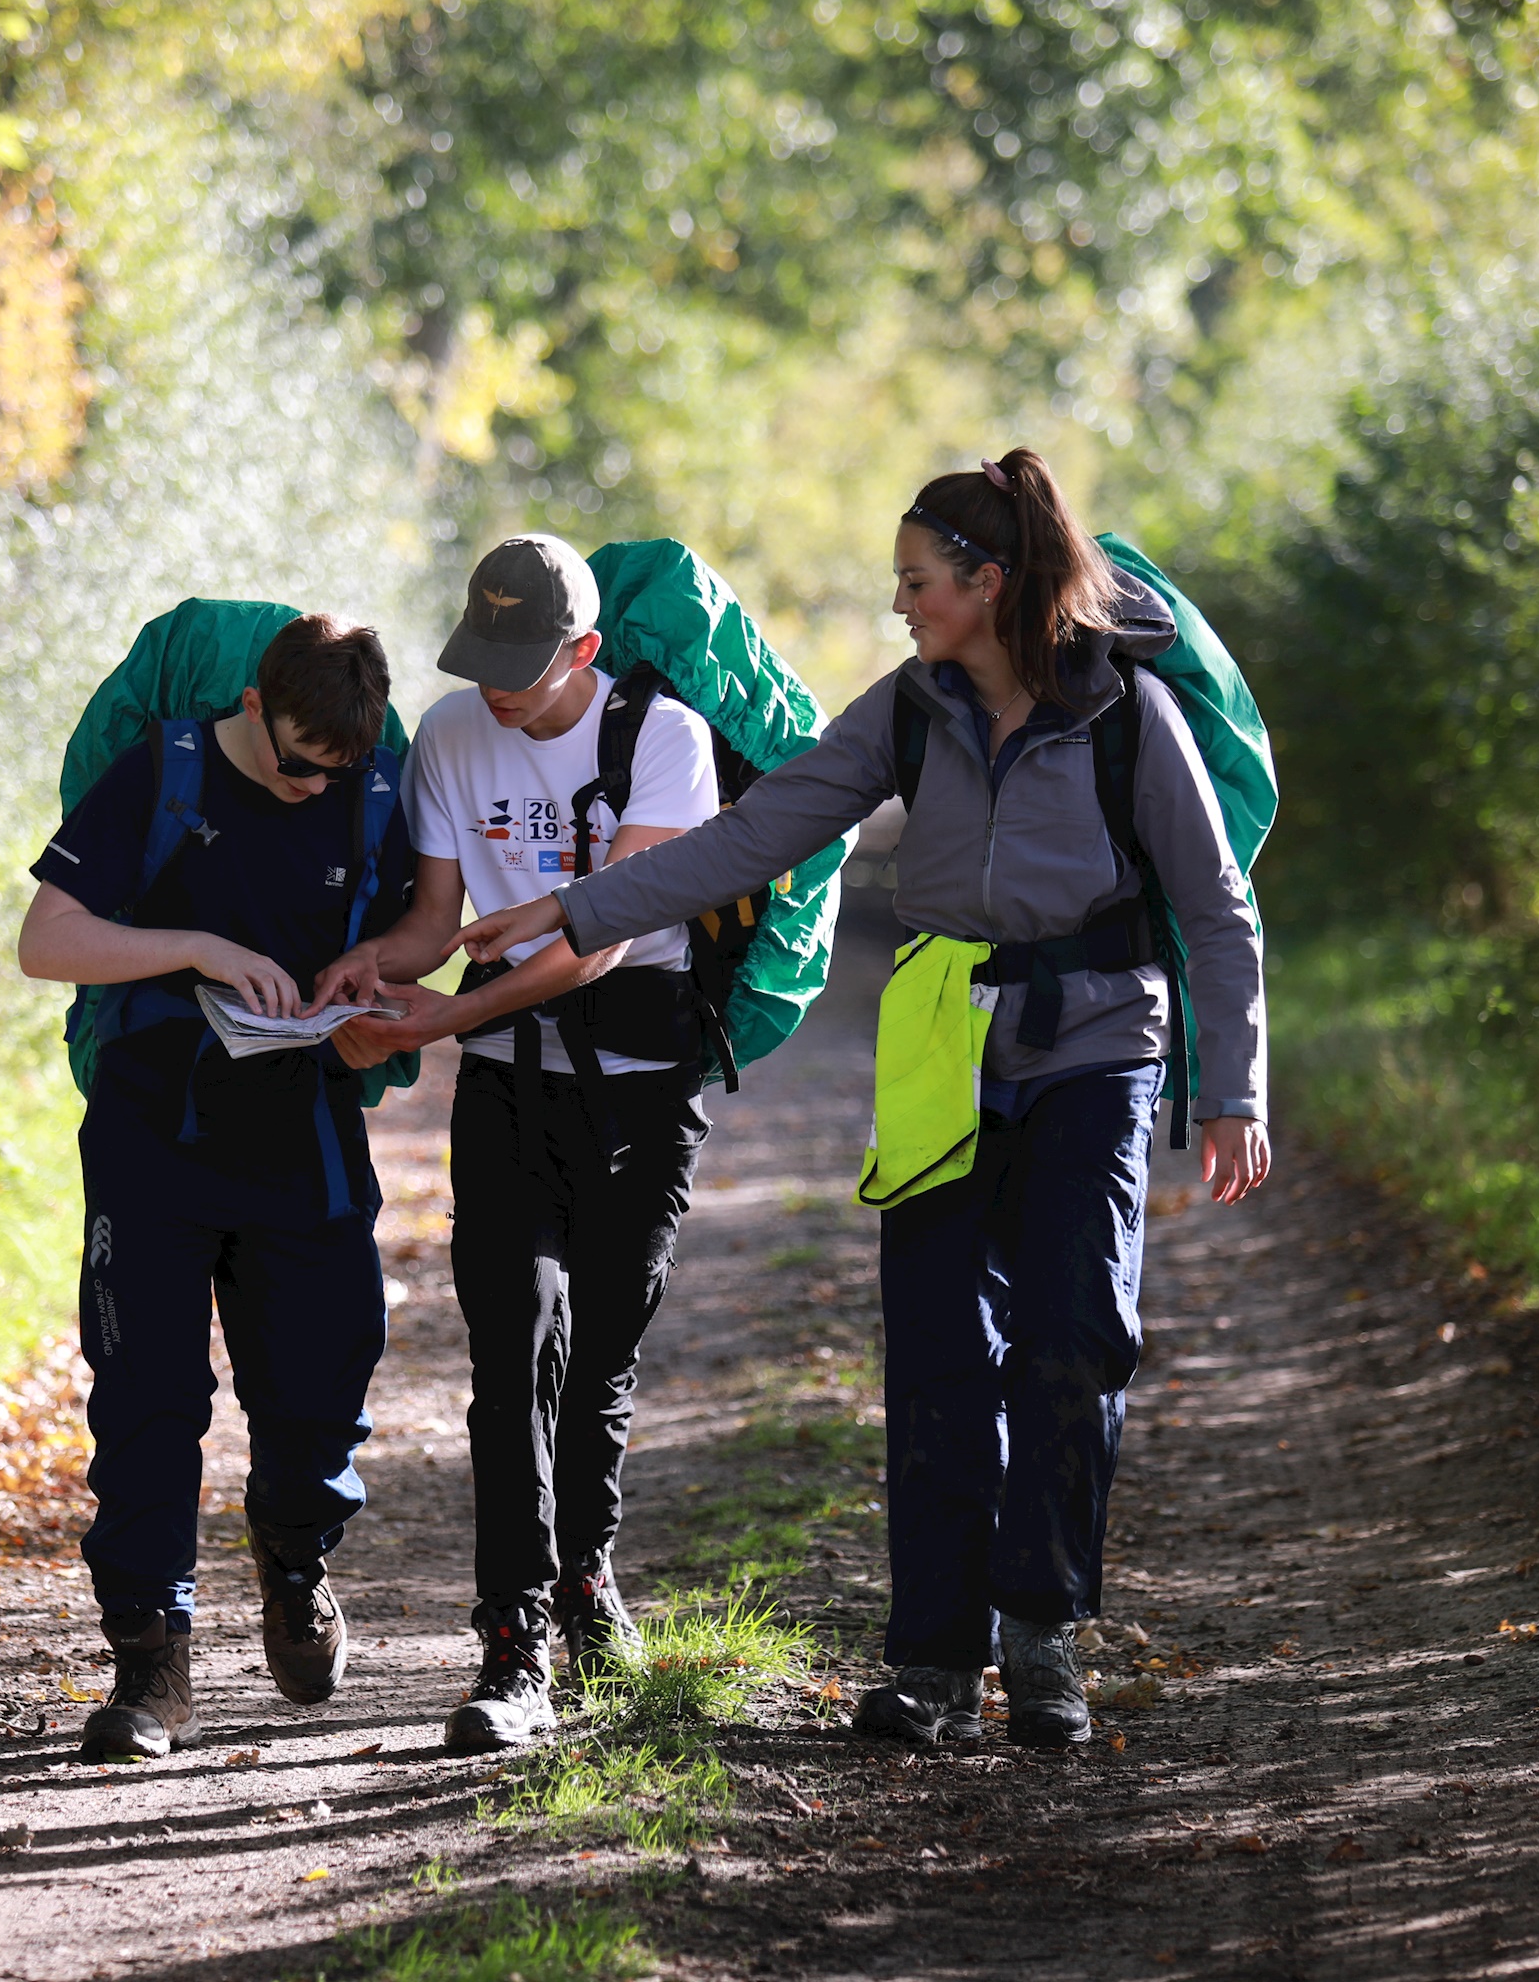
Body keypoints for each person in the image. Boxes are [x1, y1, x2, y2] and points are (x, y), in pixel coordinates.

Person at [452, 453, 1271, 1750]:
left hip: (1100, 1049)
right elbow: (753, 835)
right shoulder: (907, 714)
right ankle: (937, 1667)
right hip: (944, 1055)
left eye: (917, 581)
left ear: (988, 587)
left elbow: (1218, 911)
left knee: (1075, 1341)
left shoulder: (1125, 718)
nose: (900, 604)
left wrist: (1228, 1088)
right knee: (940, 1356)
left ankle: (1041, 1636)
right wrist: (574, 907)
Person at [309, 534, 719, 1752]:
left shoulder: (666, 744)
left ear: (584, 650)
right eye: (482, 656)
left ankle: (589, 1580)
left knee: (598, 1359)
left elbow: (599, 938)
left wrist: (438, 1019)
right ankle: (514, 1638)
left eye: (523, 665)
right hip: (505, 1086)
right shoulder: (449, 734)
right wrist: (363, 976)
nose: (496, 685)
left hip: (641, 1087)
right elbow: (438, 921)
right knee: (511, 1349)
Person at [15, 614, 416, 1759]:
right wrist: (194, 945)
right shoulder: (167, 772)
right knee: (146, 1394)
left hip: (308, 1139)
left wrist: (371, 980)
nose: (310, 789)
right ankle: (152, 1664)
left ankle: (295, 1560)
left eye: (334, 770)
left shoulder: (368, 785)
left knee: (317, 1391)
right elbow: (47, 939)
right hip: (155, 1132)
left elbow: (413, 934)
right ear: (251, 708)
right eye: (295, 761)